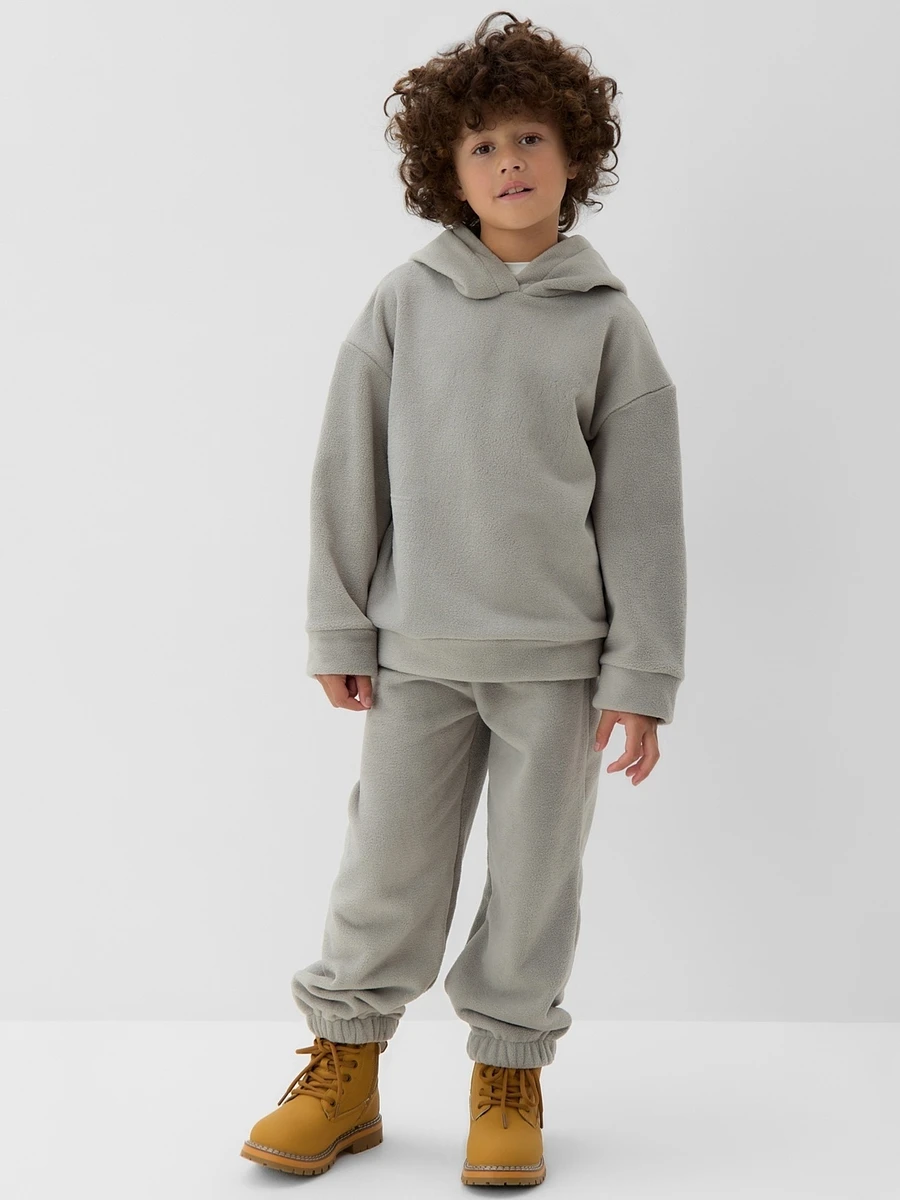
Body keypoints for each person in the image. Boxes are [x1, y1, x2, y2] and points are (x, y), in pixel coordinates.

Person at [241, 9, 687, 1187]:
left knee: (538, 881)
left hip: (558, 665)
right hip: (417, 652)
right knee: (386, 868)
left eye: (531, 137)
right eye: (482, 144)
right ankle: (344, 1070)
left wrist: (643, 675)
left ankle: (509, 1073)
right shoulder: (404, 303)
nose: (509, 162)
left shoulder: (610, 324)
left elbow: (643, 516)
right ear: (448, 169)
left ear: (575, 155)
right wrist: (339, 624)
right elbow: (348, 470)